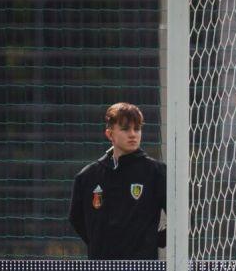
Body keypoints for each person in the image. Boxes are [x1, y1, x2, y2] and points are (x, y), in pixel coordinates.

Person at [69, 102, 166, 259]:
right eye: (125, 129)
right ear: (109, 134)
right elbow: (75, 217)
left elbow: (181, 216)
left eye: (137, 129)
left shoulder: (156, 172)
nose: (133, 134)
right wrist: (100, 242)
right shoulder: (87, 177)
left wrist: (153, 240)